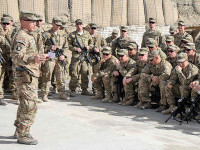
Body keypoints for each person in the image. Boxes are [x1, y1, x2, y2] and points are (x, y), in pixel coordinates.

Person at [12, 11, 49, 145]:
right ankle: (24, 134)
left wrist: (40, 57)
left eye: (35, 21)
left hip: (30, 74)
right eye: (32, 21)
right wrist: (34, 58)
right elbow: (16, 57)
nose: (35, 23)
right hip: (25, 75)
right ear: (23, 22)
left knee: (24, 103)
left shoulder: (29, 35)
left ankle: (19, 130)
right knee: (30, 104)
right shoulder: (22, 36)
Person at [41, 16, 69, 102]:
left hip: (59, 56)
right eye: (56, 24)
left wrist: (64, 55)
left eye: (59, 25)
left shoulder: (63, 34)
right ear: (52, 23)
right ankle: (44, 94)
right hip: (51, 55)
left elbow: (66, 47)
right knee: (47, 75)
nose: (58, 27)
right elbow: (40, 47)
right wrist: (49, 47)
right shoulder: (46, 34)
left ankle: (62, 93)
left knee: (60, 76)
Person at [68, 19, 94, 97]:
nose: (79, 26)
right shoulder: (72, 35)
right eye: (77, 24)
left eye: (80, 24)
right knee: (74, 73)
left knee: (85, 72)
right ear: (75, 25)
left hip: (85, 56)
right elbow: (68, 45)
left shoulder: (87, 34)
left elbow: (91, 43)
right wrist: (75, 49)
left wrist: (89, 47)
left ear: (83, 25)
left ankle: (84, 89)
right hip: (76, 57)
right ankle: (72, 90)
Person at [88, 23, 107, 98]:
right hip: (88, 56)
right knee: (87, 72)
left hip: (96, 58)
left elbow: (105, 46)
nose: (93, 30)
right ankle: (84, 89)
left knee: (96, 73)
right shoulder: (87, 36)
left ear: (97, 29)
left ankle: (95, 90)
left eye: (94, 28)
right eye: (92, 28)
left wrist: (99, 49)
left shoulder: (100, 37)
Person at [0, 17, 13, 105]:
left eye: (7, 24)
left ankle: (16, 95)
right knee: (0, 77)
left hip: (11, 57)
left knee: (14, 76)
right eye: (3, 23)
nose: (5, 25)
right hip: (1, 58)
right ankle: (0, 97)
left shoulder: (13, 33)